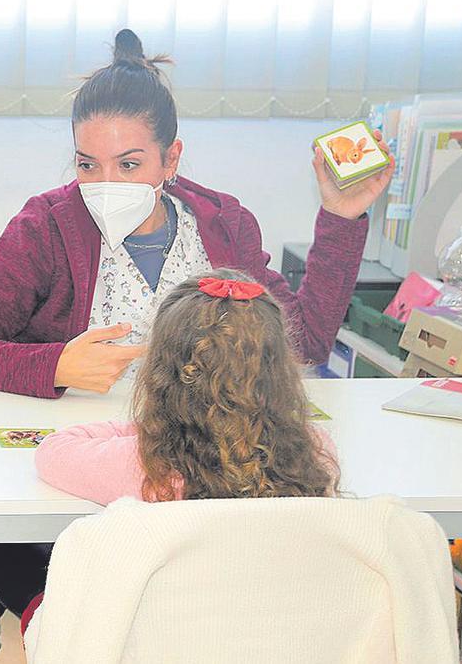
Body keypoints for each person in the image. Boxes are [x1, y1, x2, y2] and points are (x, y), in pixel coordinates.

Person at [0, 27, 388, 624]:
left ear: (172, 158)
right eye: (88, 164)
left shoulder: (222, 224)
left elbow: (303, 345)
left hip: (196, 463)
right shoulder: (48, 226)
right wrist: (55, 364)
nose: (107, 185)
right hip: (82, 462)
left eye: (130, 163)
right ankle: (51, 618)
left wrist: (342, 219)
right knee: (12, 539)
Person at [22, 268, 342, 633]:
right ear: (282, 373)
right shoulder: (313, 450)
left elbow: (54, 450)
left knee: (9, 566)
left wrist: (153, 425)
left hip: (165, 636)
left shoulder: (146, 464)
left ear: (161, 374)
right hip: (276, 633)